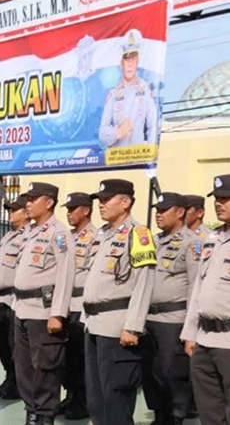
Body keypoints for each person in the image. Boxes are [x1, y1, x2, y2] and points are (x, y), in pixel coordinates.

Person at [83, 179, 155, 425]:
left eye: (106, 200)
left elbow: (144, 282)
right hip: (93, 324)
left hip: (117, 327)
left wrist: (133, 326)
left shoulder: (139, 234)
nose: (101, 205)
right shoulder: (102, 234)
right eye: (100, 200)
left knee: (116, 397)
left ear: (125, 202)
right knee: (96, 398)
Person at [13, 183, 76, 425]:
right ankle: (32, 412)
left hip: (43, 311)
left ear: (48, 202)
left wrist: (58, 313)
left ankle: (45, 416)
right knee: (24, 367)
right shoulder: (30, 232)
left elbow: (65, 274)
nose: (28, 203)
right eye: (27, 198)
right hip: (22, 309)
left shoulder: (59, 234)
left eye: (33, 198)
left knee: (46, 368)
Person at [140, 192, 199, 425]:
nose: (158, 215)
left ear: (180, 212)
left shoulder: (192, 243)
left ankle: (175, 417)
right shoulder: (153, 241)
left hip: (174, 319)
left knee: (172, 375)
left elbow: (196, 286)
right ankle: (159, 415)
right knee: (151, 374)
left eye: (164, 210)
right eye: (157, 210)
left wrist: (190, 328)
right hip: (149, 318)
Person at [181, 174, 230, 424]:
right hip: (204, 339)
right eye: (217, 199)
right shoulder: (211, 240)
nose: (219, 203)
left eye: (226, 198)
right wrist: (190, 333)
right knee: (208, 409)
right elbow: (198, 289)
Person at [56, 192, 96, 419]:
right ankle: (70, 396)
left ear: (86, 210)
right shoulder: (67, 237)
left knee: (80, 355)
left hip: (80, 304)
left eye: (73, 209)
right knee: (66, 356)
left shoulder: (95, 237)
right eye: (68, 210)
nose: (69, 213)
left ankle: (81, 401)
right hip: (65, 302)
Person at [0, 195, 30, 401]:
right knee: (4, 343)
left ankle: (18, 383)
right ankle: (9, 378)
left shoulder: (29, 237)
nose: (10, 213)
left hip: (14, 299)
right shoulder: (7, 237)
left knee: (15, 346)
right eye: (9, 210)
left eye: (15, 210)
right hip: (1, 299)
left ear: (26, 213)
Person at [99, 29, 158, 148]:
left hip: (139, 160)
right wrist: (117, 132)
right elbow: (102, 132)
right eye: (127, 59)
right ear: (122, 63)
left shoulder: (144, 89)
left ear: (137, 62)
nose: (130, 64)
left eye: (133, 59)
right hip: (117, 160)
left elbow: (152, 125)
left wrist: (151, 155)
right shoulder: (114, 94)